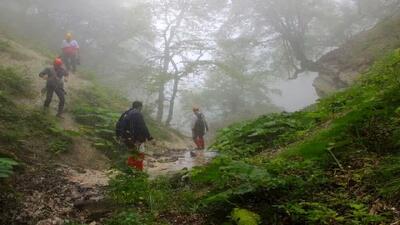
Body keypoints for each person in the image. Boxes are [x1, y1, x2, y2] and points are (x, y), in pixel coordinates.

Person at [116, 101, 153, 170]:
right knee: (140, 153)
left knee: (131, 153)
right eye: (141, 107)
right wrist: (149, 137)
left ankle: (130, 171)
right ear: (140, 107)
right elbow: (142, 126)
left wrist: (119, 136)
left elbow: (118, 124)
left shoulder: (126, 113)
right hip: (135, 138)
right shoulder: (137, 113)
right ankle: (138, 172)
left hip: (126, 137)